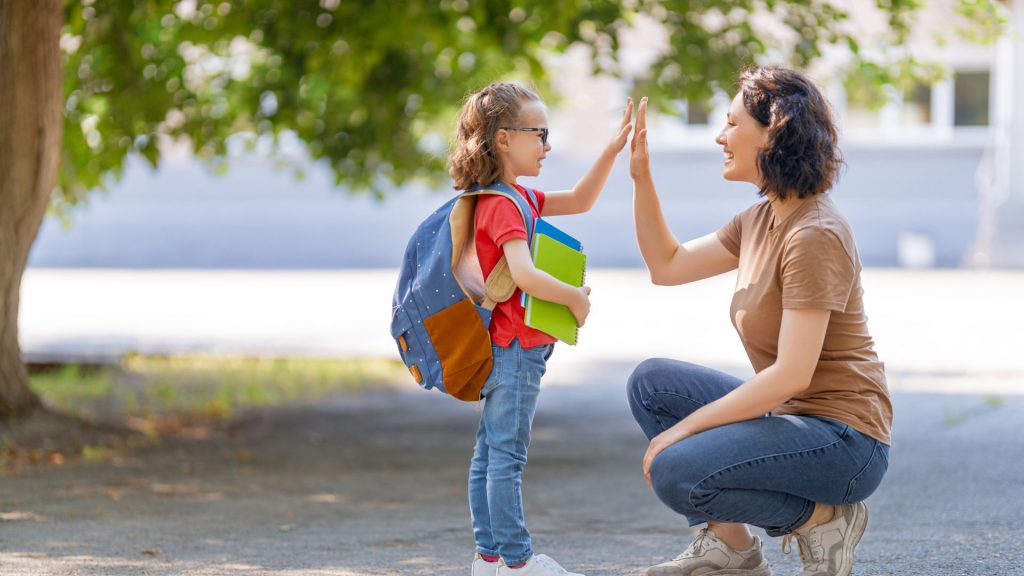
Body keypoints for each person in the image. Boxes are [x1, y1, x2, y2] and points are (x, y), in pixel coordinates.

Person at [625, 67, 893, 576]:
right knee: (651, 384)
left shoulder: (815, 233)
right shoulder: (761, 219)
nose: (719, 135)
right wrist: (642, 177)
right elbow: (668, 265)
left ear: (774, 131)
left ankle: (821, 518)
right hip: (797, 421)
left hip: (846, 442)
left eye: (731, 123)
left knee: (675, 469)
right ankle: (732, 548)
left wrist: (682, 431)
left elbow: (792, 375)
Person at [450, 82, 633, 576]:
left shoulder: (509, 196)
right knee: (506, 457)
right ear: (505, 138)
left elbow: (579, 199)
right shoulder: (506, 205)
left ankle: (487, 558)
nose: (547, 146)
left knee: (488, 454)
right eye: (540, 133)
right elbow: (524, 273)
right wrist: (573, 298)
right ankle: (517, 563)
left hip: (504, 347)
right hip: (514, 349)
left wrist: (612, 150)